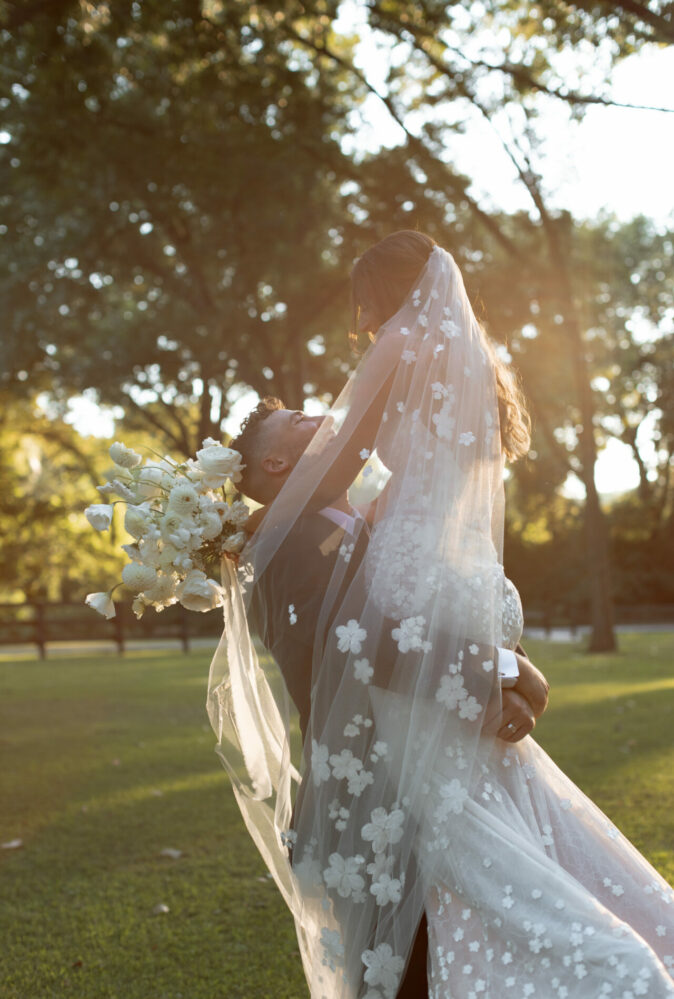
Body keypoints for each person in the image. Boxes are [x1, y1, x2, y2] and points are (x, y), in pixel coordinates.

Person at [208, 231, 674, 998]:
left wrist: (255, 519)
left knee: (481, 831)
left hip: (430, 610)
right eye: (293, 422)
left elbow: (339, 466)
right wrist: (261, 523)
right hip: (454, 597)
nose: (362, 326)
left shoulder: (404, 352)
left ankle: (605, 970)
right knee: (497, 820)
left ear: (393, 294)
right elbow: (343, 490)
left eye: (365, 304)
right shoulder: (463, 363)